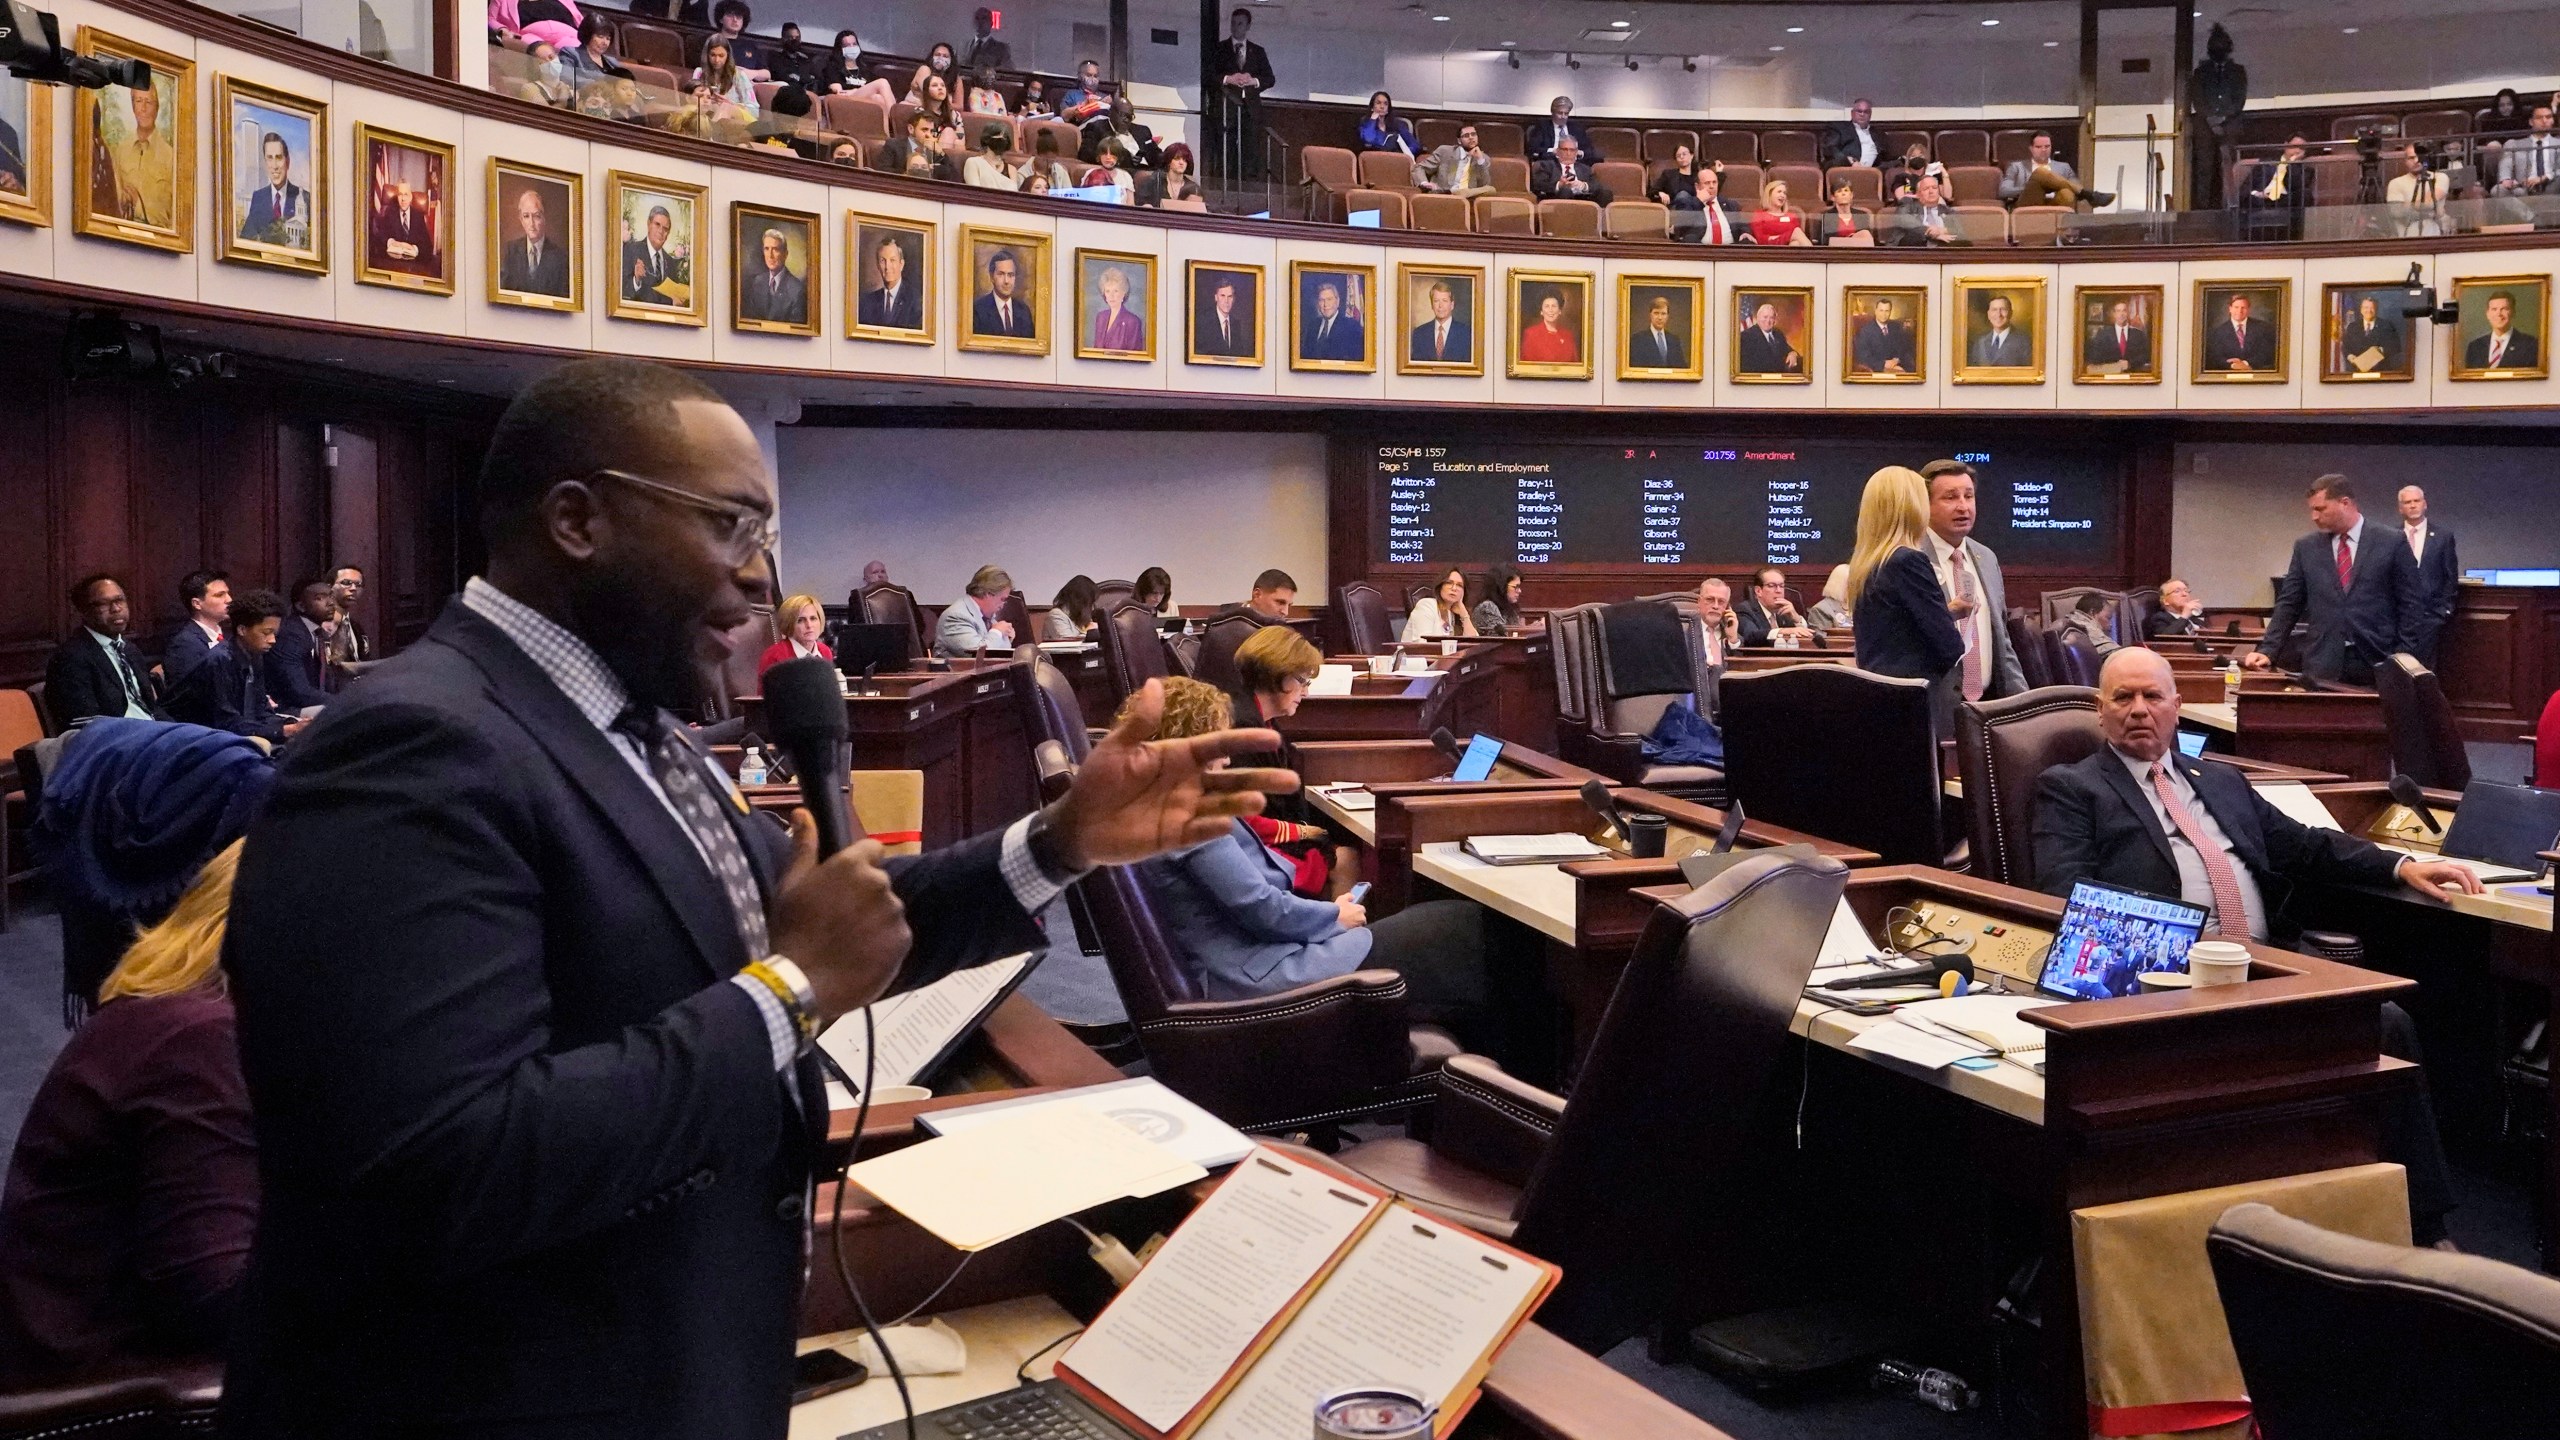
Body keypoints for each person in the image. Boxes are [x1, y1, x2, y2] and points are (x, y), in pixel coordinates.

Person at [216, 358, 1292, 1438]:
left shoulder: (631, 729)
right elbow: (444, 1164)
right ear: (579, 520)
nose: (756, 581)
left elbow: (840, 918)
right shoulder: (416, 744)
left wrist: (1061, 842)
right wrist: (787, 992)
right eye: (731, 527)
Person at [2030, 646, 2479, 1246]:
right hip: (2164, 981)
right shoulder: (2072, 788)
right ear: (2100, 711)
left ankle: (2424, 1225)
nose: (2139, 710)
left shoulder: (2220, 778)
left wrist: (2401, 865)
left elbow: (2307, 845)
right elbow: (2065, 894)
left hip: (2262, 963)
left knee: (2386, 1021)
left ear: (2176, 706)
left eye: (2152, 696)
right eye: (2123, 698)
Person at [0, 842, 257, 1387]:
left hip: (79, 1358)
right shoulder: (200, 1041)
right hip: (112, 1394)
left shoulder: (164, 1016)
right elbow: (215, 1296)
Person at [1137, 677, 1494, 1042]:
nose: (1228, 758)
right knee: (1465, 925)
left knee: (1448, 925)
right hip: (1259, 976)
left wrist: (1326, 916)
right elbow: (1261, 909)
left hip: (1260, 954)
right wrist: (1334, 918)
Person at [2243, 475, 2415, 684]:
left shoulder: (2391, 541)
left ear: (2345, 503)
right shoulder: (2306, 547)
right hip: (2322, 662)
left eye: (2320, 509)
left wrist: (2404, 655)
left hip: (2377, 660)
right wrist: (2268, 649)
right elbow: (2289, 603)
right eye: (2312, 509)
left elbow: (2411, 605)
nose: (2314, 517)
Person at [1848, 466, 1967, 734]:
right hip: (1913, 703)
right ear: (1912, 507)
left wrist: (1944, 613)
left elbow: (1892, 632)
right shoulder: (1908, 560)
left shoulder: (1867, 565)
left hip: (1881, 699)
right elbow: (1949, 645)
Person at [1921, 459, 2027, 704]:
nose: (1963, 507)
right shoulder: (1911, 558)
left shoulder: (1986, 558)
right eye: (1950, 497)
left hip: (1987, 705)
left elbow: (2002, 642)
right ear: (1925, 505)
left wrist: (2022, 705)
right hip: (1935, 706)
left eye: (1968, 496)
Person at [166, 589, 301, 746]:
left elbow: (260, 710)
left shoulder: (254, 655)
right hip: (192, 738)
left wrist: (289, 725)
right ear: (242, 630)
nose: (272, 640)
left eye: (274, 634)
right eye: (266, 632)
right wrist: (284, 730)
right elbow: (226, 722)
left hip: (233, 730)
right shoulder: (219, 661)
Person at [44, 575, 164, 725]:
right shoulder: (70, 658)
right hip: (116, 739)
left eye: (120, 600)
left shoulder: (131, 650)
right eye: (103, 604)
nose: (116, 609)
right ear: (83, 611)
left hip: (152, 731)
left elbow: (152, 708)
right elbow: (84, 721)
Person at [2397, 486, 2461, 669]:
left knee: (2426, 671)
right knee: (2400, 670)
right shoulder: (2391, 537)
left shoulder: (2443, 537)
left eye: (2416, 501)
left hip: (2431, 616)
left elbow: (2450, 576)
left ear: (2425, 504)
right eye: (2407, 502)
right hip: (2399, 618)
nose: (2413, 506)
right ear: (2400, 508)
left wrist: (2444, 611)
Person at [2187, 23, 2247, 210]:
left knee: (2228, 165)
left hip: (2230, 125)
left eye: (2222, 46)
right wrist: (2210, 119)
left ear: (2228, 48)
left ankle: (2227, 204)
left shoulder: (2238, 71)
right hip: (2204, 126)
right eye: (2215, 46)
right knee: (2204, 168)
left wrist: (2223, 117)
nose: (2218, 49)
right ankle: (2203, 207)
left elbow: (2239, 99)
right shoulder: (2201, 72)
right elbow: (2197, 98)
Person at [105, 81, 177, 229]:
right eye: (138, 101)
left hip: (158, 246)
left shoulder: (171, 157)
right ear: (133, 106)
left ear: (157, 108)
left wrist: (138, 205)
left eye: (148, 102)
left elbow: (173, 218)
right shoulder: (120, 151)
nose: (143, 108)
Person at [1215, 8, 1275, 178]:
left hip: (1251, 108)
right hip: (1227, 107)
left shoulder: (1258, 51)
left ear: (1248, 26)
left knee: (1250, 148)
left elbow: (1270, 78)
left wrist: (1253, 81)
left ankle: (1249, 182)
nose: (1235, 27)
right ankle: (1225, 181)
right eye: (1233, 23)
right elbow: (1210, 75)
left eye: (1240, 23)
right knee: (1226, 148)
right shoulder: (1220, 49)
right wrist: (1229, 78)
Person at [265, 579, 336, 715]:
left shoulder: (316, 633)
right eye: (319, 598)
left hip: (310, 704)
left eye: (331, 596)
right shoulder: (290, 635)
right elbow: (298, 691)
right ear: (301, 606)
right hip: (285, 710)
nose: (331, 603)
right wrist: (343, 701)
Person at [1997, 130, 2108, 209]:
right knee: (2040, 172)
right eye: (2039, 147)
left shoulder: (2064, 167)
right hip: (2029, 201)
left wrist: (2054, 186)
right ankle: (2089, 195)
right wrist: (2036, 186)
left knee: (2067, 192)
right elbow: (2003, 191)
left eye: (2047, 146)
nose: (2043, 150)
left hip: (2056, 203)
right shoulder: (2016, 166)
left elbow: (2075, 187)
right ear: (2031, 149)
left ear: (2051, 147)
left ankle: (2066, 233)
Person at [498, 185, 571, 297]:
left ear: (544, 217)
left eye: (536, 216)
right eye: (526, 216)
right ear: (521, 219)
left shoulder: (561, 257)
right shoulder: (510, 251)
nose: (531, 223)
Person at [165, 570, 233, 686]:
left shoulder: (230, 636)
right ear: (197, 604)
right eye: (220, 595)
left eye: (227, 593)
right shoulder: (184, 645)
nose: (229, 599)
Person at [240, 130, 308, 247]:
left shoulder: (306, 198)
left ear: (288, 162)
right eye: (270, 158)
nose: (275, 166)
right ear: (265, 162)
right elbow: (245, 242)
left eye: (279, 158)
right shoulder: (258, 197)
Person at [937, 564, 1018, 656]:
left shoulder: (987, 616)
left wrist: (1006, 636)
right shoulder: (956, 616)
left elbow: (999, 655)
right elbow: (978, 655)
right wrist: (997, 632)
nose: (1002, 606)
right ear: (988, 594)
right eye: (1002, 599)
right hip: (957, 670)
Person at [2239, 133, 2309, 238]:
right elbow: (2245, 188)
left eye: (2302, 148)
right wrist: (2257, 194)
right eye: (2294, 146)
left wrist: (2292, 164)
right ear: (2286, 145)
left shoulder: (2306, 170)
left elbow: (2297, 189)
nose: (2297, 151)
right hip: (2259, 202)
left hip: (2284, 204)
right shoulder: (2265, 164)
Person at [738, 226, 808, 322]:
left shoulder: (797, 289)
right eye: (767, 249)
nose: (770, 255)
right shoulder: (756, 282)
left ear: (785, 254)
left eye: (775, 249)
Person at [755, 593, 833, 678]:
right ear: (789, 624)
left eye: (813, 618)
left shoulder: (825, 652)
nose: (809, 625)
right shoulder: (773, 656)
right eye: (800, 620)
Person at [1734, 568, 1815, 646]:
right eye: (1772, 586)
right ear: (1758, 591)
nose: (1779, 591)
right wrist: (1783, 631)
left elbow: (1805, 637)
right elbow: (1751, 636)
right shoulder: (1744, 610)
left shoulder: (1784, 612)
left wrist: (1797, 619)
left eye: (1781, 586)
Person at [688, 37, 758, 125]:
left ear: (728, 56)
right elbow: (691, 98)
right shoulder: (699, 72)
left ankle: (710, 134)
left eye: (721, 56)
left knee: (725, 106)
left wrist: (731, 104)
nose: (717, 60)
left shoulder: (739, 75)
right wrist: (707, 99)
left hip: (737, 114)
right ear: (707, 55)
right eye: (713, 55)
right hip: (709, 110)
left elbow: (755, 110)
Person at [2495, 104, 2559, 201]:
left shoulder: (2558, 143)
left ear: (2553, 120)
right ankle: (2528, 215)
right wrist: (2506, 179)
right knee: (2498, 190)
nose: (2544, 121)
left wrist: (2546, 177)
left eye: (2548, 117)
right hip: (2524, 186)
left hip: (2553, 184)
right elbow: (2506, 164)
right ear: (2531, 122)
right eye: (2539, 117)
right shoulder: (2514, 144)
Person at [2465, 289, 2540, 370]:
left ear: (2513, 312)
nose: (2499, 314)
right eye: (2494, 309)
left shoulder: (2530, 345)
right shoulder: (2475, 347)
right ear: (2487, 314)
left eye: (2504, 309)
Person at [971, 248, 1037, 340]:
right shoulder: (978, 309)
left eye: (1010, 275)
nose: (1006, 281)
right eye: (1001, 274)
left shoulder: (1024, 311)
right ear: (991, 277)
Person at [2203, 292, 2278, 372]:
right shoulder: (2218, 332)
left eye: (2243, 307)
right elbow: (2214, 357)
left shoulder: (2263, 327)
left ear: (2249, 309)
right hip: (2228, 376)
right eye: (2236, 307)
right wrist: (2233, 365)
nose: (2240, 311)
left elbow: (2267, 353)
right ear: (2230, 309)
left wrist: (2245, 364)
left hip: (2257, 374)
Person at [813, 30, 894, 105]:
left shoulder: (865, 70)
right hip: (844, 103)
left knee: (878, 98)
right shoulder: (833, 68)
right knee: (882, 82)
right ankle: (896, 117)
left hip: (863, 105)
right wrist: (855, 92)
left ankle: (890, 119)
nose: (852, 48)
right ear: (840, 49)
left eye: (854, 44)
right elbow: (839, 93)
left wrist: (854, 91)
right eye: (847, 45)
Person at [2386, 144, 2450, 238]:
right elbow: (2396, 212)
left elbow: (2428, 203)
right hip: (2406, 237)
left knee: (2429, 224)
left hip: (2434, 234)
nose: (2416, 161)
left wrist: (2408, 205)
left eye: (2419, 157)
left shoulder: (2440, 177)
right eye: (2411, 158)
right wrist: (2434, 212)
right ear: (2405, 161)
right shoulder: (2395, 183)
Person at [622, 204, 681, 306]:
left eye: (665, 229)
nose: (661, 231)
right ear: (648, 224)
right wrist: (636, 280)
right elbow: (621, 294)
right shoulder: (631, 250)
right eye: (657, 224)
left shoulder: (671, 263)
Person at [1888, 172, 1967, 247]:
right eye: (1926, 189)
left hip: (1942, 250)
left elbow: (1959, 231)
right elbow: (1903, 219)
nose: (1931, 191)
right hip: (1915, 250)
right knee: (1916, 236)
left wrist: (1941, 231)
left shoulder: (1947, 211)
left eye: (1934, 188)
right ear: (1918, 194)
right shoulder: (1908, 205)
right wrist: (1929, 232)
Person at [1401, 568, 1478, 644]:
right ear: (1440, 586)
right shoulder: (1426, 605)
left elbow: (1474, 644)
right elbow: (1421, 644)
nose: (1454, 588)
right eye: (1449, 583)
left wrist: (1464, 614)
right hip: (1414, 656)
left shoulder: (1454, 613)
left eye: (1459, 585)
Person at [1082, 95, 1161, 169]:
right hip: (1116, 171)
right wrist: (1123, 158)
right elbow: (1086, 154)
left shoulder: (1142, 131)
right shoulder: (1097, 128)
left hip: (1144, 172)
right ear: (1111, 113)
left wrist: (1169, 155)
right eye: (1123, 115)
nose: (1126, 120)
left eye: (1129, 117)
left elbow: (1156, 156)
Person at [1417, 124, 1494, 198]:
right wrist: (1424, 183)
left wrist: (1480, 160)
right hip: (1444, 194)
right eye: (1466, 135)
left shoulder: (1484, 159)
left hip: (1468, 197)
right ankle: (1458, 192)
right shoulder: (1445, 152)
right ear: (1459, 141)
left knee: (1491, 190)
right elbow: (1419, 168)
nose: (1471, 137)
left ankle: (1462, 193)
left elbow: (1485, 185)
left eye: (1473, 134)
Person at [1529, 134, 1608, 206]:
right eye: (1565, 149)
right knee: (1565, 191)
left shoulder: (1585, 169)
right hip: (1557, 201)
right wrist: (1559, 185)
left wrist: (1583, 186)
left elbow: (1597, 185)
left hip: (1583, 201)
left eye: (1572, 150)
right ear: (1557, 151)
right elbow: (1539, 185)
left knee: (1606, 193)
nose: (1568, 153)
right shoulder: (1546, 166)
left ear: (1577, 152)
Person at [1408, 278, 1471, 365]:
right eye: (1436, 301)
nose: (1440, 306)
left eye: (1444, 301)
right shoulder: (1419, 333)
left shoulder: (1466, 333)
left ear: (1452, 305)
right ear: (1432, 305)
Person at [324, 565, 370, 686]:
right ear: (329, 587)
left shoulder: (356, 628)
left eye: (358, 585)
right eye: (346, 583)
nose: (353, 588)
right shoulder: (322, 625)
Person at [1851, 294, 1917, 376]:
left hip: (1899, 365)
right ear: (1876, 311)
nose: (1884, 314)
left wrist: (1897, 360)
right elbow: (1863, 357)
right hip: (1878, 369)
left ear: (1890, 312)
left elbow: (1904, 348)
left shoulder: (1896, 326)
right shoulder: (1866, 331)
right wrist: (1884, 364)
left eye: (1887, 311)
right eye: (1881, 310)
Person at [2338, 293, 2404, 375]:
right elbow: (2345, 346)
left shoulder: (2387, 326)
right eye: (2366, 308)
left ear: (2376, 309)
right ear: (2361, 310)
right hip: (2356, 372)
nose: (2369, 311)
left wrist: (2380, 350)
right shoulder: (2352, 327)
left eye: (2372, 308)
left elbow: (2396, 346)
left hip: (2381, 372)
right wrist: (2350, 356)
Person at [1299, 280, 1364, 361]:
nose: (1325, 304)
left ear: (1337, 302)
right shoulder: (1312, 326)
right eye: (1321, 300)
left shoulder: (1351, 327)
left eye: (1329, 299)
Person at [2083, 298, 2152, 373]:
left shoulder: (2138, 334)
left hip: (2133, 376)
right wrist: (2116, 365)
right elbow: (2095, 357)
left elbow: (2145, 356)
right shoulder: (2103, 334)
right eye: (2118, 311)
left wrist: (2130, 363)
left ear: (2128, 313)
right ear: (2114, 314)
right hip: (2110, 376)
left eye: (2124, 311)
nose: (2121, 314)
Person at [704, 0, 766, 77]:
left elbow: (767, 73)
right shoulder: (711, 41)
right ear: (721, 19)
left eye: (739, 17)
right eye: (730, 15)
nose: (735, 20)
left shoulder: (750, 46)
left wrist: (752, 73)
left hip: (750, 85)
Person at [1090, 265, 1145, 352]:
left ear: (1124, 293)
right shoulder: (1101, 317)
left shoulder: (1133, 321)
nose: (1111, 296)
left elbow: (1135, 358)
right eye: (1108, 291)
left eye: (1116, 291)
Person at [1736, 301, 1800, 375]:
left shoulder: (1778, 334)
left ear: (1775, 320)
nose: (1768, 321)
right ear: (1758, 318)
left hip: (1779, 380)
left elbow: (1787, 349)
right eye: (1765, 317)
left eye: (1771, 318)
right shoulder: (1746, 337)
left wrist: (1793, 353)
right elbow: (1746, 367)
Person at [1197, 274, 1253, 357]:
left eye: (1230, 296)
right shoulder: (1203, 322)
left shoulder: (1236, 324)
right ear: (1216, 297)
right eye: (1222, 296)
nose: (1226, 301)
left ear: (1233, 299)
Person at [1527, 95, 1596, 162]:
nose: (1563, 116)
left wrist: (1580, 153)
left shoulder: (1576, 128)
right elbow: (1533, 149)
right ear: (1552, 112)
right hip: (1550, 162)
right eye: (1560, 113)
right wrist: (1553, 151)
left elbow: (1589, 150)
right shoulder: (1542, 127)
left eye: (1566, 113)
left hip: (1574, 164)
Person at [1820, 97, 1882, 170]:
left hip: (1873, 172)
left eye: (1866, 112)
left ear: (1870, 114)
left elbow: (1884, 156)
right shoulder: (1839, 128)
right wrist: (1848, 161)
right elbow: (1831, 148)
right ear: (1852, 113)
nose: (1862, 114)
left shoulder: (1878, 133)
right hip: (1846, 169)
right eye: (1859, 111)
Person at [1517, 290, 1578, 365]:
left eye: (1554, 306)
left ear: (1559, 311)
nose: (1550, 310)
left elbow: (1574, 365)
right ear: (1541, 311)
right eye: (1547, 306)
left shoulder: (1568, 335)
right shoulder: (1531, 334)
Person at [1627, 293, 1685, 371]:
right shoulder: (1637, 339)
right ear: (1650, 315)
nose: (1660, 317)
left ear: (1668, 316)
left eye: (1663, 314)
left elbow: (1682, 369)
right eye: (1656, 313)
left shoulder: (1674, 340)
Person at [1688, 165, 1744, 245]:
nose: (1712, 186)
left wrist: (1746, 232)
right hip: (1701, 252)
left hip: (1731, 251)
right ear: (1697, 186)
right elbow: (1682, 230)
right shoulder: (1688, 204)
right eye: (1707, 183)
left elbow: (1743, 224)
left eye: (1714, 182)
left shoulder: (1730, 205)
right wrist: (1699, 202)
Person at [2145, 578, 2210, 640]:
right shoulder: (2159, 618)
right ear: (2165, 601)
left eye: (2186, 591)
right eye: (2177, 591)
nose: (2184, 594)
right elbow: (2165, 638)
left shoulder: (2193, 618)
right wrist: (2184, 616)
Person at [1694, 577, 1738, 669]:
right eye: (1710, 599)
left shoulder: (1731, 635)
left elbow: (1740, 666)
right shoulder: (1687, 632)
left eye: (1721, 601)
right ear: (1699, 602)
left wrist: (1732, 639)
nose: (1715, 606)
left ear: (1727, 606)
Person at [1357, 91, 1418, 156]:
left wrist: (1403, 154)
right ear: (1372, 107)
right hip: (1375, 160)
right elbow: (1369, 139)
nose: (1382, 106)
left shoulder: (1397, 125)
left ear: (1388, 108)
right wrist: (1373, 120)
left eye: (1385, 104)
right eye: (1378, 103)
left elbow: (1415, 145)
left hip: (1396, 161)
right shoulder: (1365, 123)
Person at [1749, 179, 1809, 245]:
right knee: (1796, 232)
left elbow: (1798, 236)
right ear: (1769, 194)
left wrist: (1778, 237)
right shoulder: (1759, 214)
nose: (1782, 195)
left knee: (1795, 243)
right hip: (1768, 248)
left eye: (1784, 193)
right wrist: (1789, 236)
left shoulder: (1791, 216)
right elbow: (1760, 239)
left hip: (1787, 246)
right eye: (1779, 192)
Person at [1474, 563, 1527, 636]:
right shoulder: (1487, 607)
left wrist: (1534, 627)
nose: (1519, 591)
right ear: (1502, 587)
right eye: (1515, 587)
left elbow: (1516, 634)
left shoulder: (1509, 609)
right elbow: (1503, 637)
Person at [1813, 176, 1870, 244]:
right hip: (1835, 251)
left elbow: (1868, 241)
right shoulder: (1827, 216)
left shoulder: (1861, 215)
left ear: (1851, 195)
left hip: (1858, 251)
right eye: (1839, 191)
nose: (1843, 193)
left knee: (1865, 234)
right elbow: (1824, 241)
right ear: (1833, 197)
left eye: (1846, 190)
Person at [961, 123, 1018, 190]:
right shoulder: (973, 162)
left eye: (1004, 137)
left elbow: (1013, 196)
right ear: (986, 140)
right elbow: (975, 192)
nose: (1001, 139)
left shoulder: (1011, 170)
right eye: (998, 136)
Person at [1044, 576, 1099, 640]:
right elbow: (1066, 643)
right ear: (1079, 601)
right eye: (1089, 604)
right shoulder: (1056, 615)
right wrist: (1089, 632)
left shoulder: (1082, 617)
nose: (1092, 608)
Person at [1058, 59, 1110, 125]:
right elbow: (1064, 115)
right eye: (1089, 75)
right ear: (1080, 76)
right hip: (1081, 129)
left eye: (1095, 76)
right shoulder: (1072, 94)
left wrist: (1110, 106)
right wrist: (1084, 105)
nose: (1093, 79)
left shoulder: (1104, 97)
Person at [904, 41, 958, 107]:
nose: (941, 58)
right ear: (931, 57)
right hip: (914, 111)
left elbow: (959, 106)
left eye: (945, 56)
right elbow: (930, 95)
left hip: (940, 114)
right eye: (937, 55)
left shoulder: (955, 79)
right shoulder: (924, 69)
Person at [1805, 564, 1853, 631]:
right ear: (1840, 585)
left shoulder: (1859, 606)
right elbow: (1823, 639)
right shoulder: (1821, 610)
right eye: (1852, 584)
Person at [961, 6, 1010, 71]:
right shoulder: (963, 47)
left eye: (984, 18)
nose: (980, 22)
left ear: (991, 23)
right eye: (977, 18)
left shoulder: (1001, 49)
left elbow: (1007, 71)